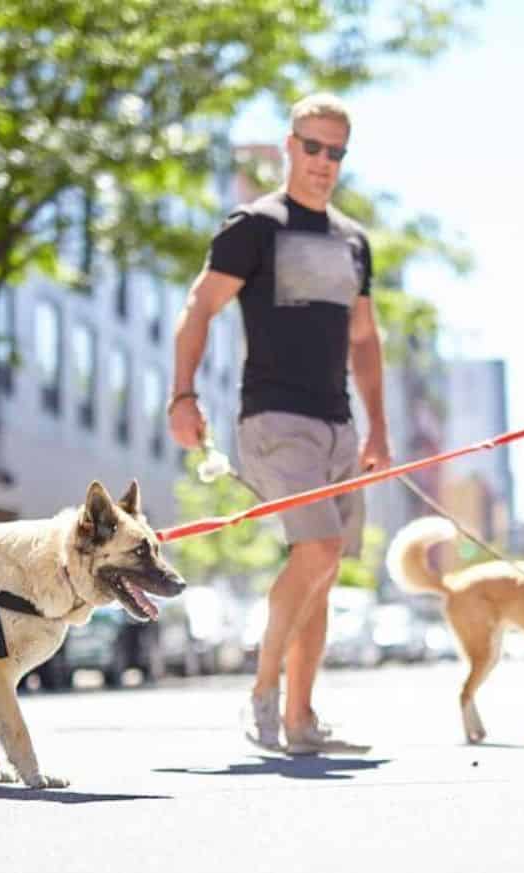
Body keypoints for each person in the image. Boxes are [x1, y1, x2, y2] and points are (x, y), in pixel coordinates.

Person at [169, 93, 389, 755]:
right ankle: (263, 693)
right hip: (273, 419)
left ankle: (299, 721)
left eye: (336, 152)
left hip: (338, 425)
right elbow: (200, 307)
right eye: (313, 147)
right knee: (316, 550)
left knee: (320, 570)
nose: (324, 162)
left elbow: (365, 336)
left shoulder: (353, 241)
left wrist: (378, 428)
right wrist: (183, 397)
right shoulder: (254, 226)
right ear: (290, 147)